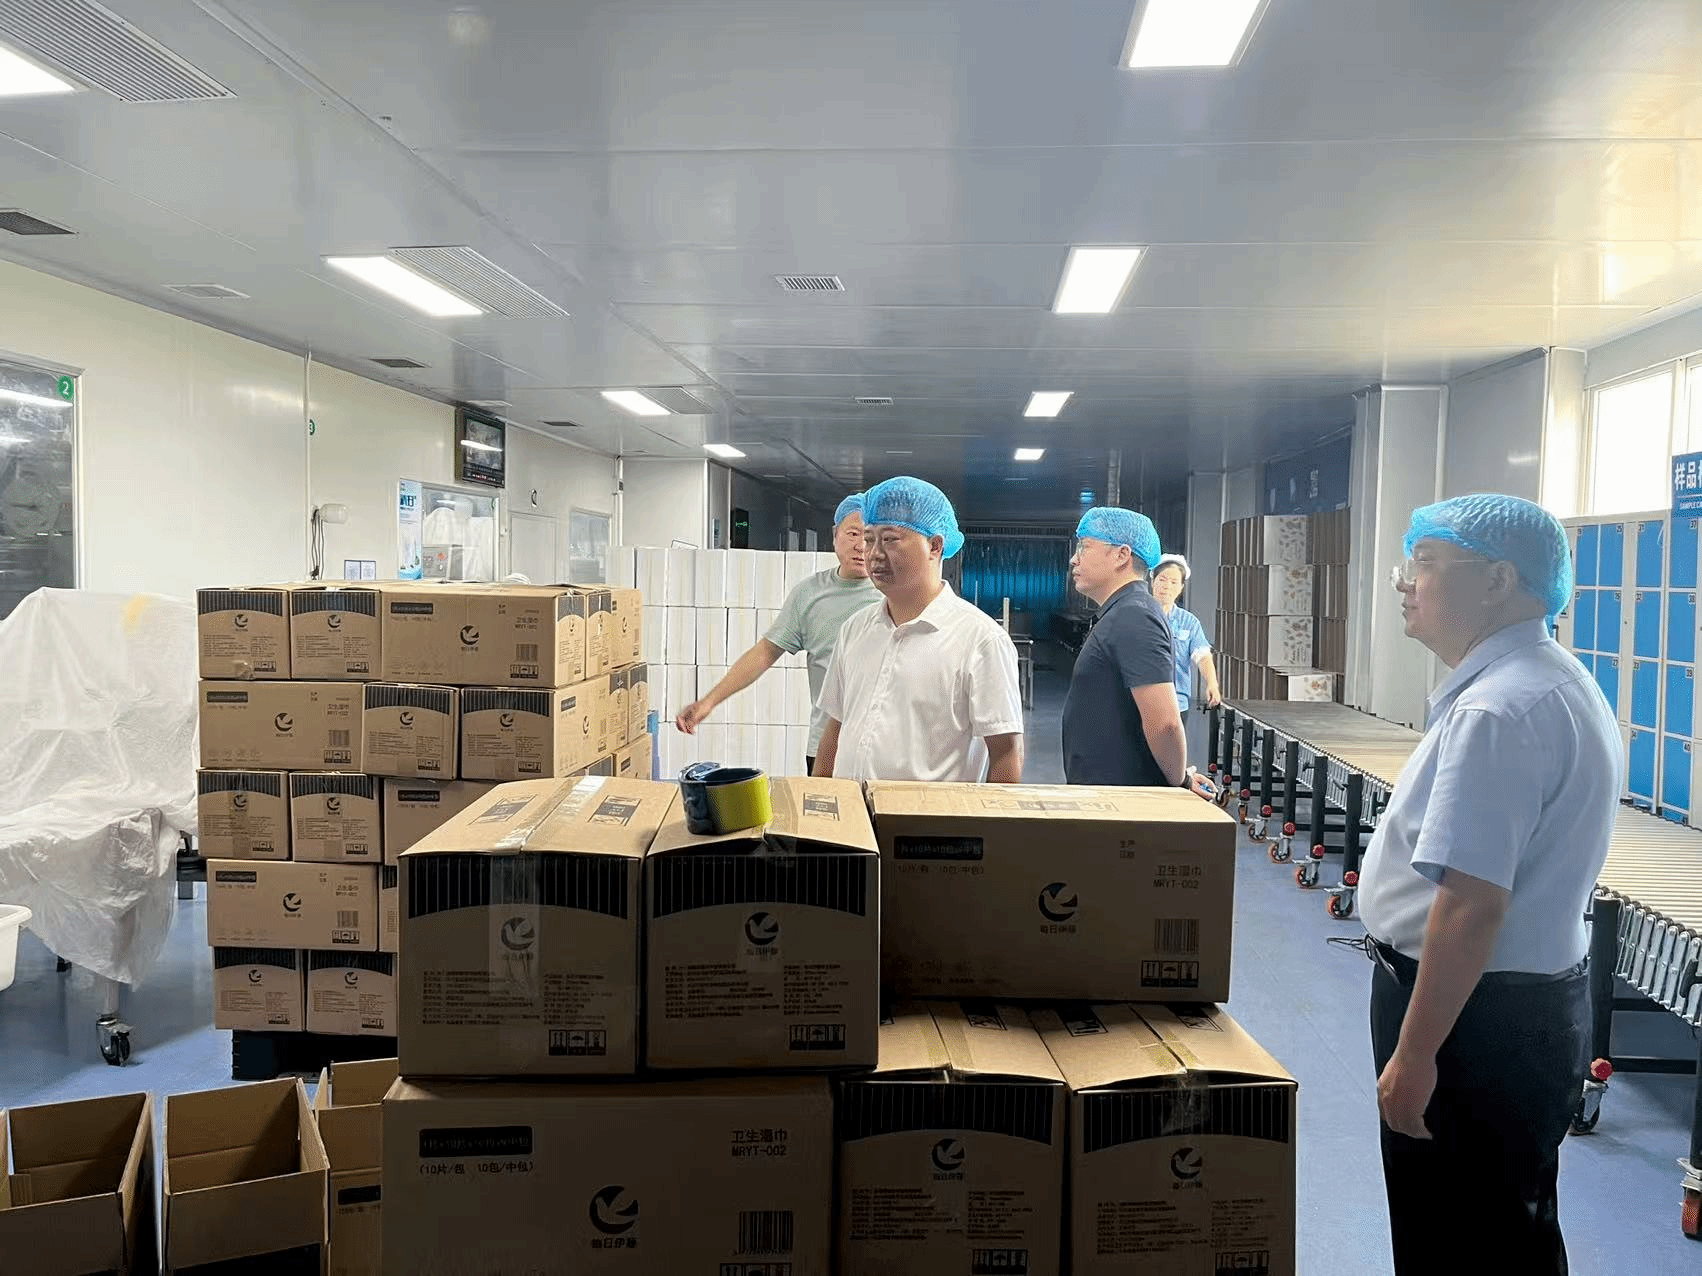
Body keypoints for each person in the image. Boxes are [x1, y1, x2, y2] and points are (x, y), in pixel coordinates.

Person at [1357, 494, 1620, 1275]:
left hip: (1473, 1024)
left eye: (1427, 564)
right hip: (1519, 1009)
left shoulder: (1500, 711)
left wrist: (1416, 1056)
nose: (1405, 582)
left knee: (1456, 1239)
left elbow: (1470, 907)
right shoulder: (1550, 681)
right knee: (1509, 1231)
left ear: (1499, 580)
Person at [813, 477, 1023, 783]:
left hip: (932, 815)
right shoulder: (854, 629)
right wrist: (818, 798)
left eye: (890, 539)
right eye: (869, 539)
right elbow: (835, 726)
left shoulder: (981, 640)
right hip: (852, 810)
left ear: (934, 546)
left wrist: (989, 816)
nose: (874, 554)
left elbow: (1006, 754)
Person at [675, 493, 879, 773]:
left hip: (882, 748)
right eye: (853, 533)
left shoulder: (894, 594)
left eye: (869, 537)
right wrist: (708, 702)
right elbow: (765, 652)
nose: (860, 546)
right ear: (835, 535)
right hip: (825, 747)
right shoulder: (810, 593)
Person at [1062, 507, 1197, 790]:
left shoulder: (1134, 616)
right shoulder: (1123, 611)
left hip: (1124, 801)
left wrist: (1180, 782)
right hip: (1109, 797)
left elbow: (1166, 724)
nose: (1075, 558)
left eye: (1085, 547)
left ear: (1122, 555)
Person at [1151, 553, 1222, 726]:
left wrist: (1212, 683)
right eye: (1162, 579)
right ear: (1153, 581)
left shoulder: (1189, 622)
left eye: (1174, 582)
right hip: (1140, 701)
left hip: (1177, 703)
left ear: (1181, 587)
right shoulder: (1137, 615)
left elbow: (1202, 655)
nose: (1167, 586)